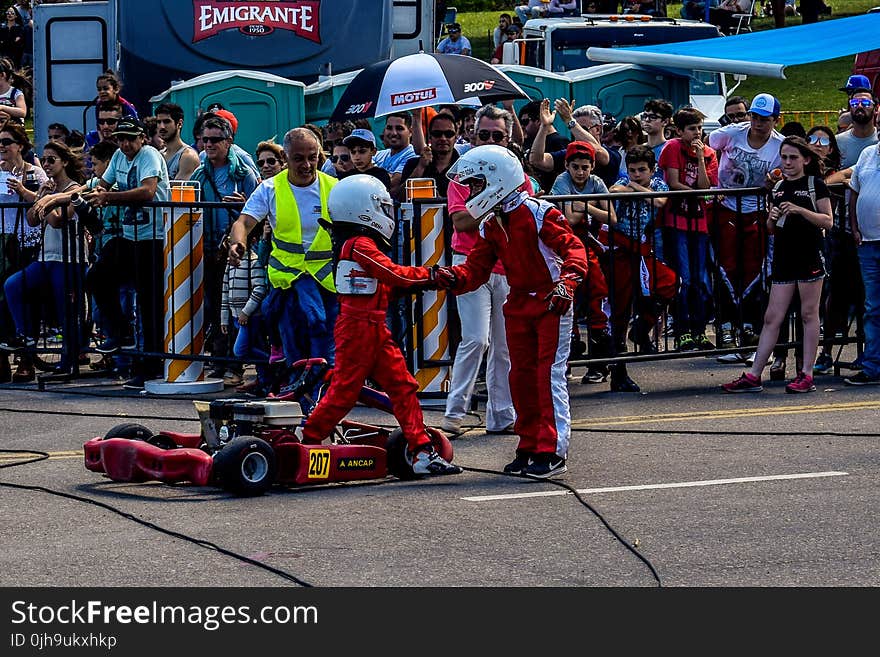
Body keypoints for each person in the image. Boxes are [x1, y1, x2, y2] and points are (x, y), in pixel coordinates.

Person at [434, 145, 587, 478]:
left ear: (495, 180)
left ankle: (553, 451)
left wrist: (567, 284)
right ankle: (530, 444)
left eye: (476, 185)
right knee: (520, 377)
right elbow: (475, 269)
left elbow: (574, 249)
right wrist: (442, 276)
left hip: (550, 302)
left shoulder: (540, 212)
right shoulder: (492, 223)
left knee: (548, 376)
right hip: (519, 302)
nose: (472, 192)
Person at [300, 174, 461, 477]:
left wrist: (421, 282)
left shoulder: (356, 244)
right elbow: (393, 274)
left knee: (403, 386)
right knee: (345, 391)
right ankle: (306, 438)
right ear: (363, 209)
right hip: (357, 328)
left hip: (373, 327)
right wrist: (434, 275)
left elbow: (385, 285)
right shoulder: (358, 244)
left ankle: (421, 451)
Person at [722, 136, 832, 393]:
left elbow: (827, 221)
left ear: (805, 159)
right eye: (784, 157)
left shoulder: (815, 184)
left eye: (793, 157)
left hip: (809, 255)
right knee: (772, 316)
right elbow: (772, 229)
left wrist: (800, 210)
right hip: (784, 257)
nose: (787, 162)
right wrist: (771, 218)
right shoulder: (779, 186)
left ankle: (806, 373)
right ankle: (754, 374)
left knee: (808, 314)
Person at [441, 105, 523, 437]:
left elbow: (521, 219)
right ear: (474, 135)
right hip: (470, 264)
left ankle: (501, 413)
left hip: (506, 266)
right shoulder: (462, 173)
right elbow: (461, 220)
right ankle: (454, 412)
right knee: (476, 338)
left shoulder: (516, 173)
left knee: (504, 345)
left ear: (508, 137)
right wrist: (496, 198)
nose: (491, 140)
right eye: (485, 134)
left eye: (498, 135)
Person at [228, 128, 338, 369]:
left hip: (326, 281)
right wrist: (238, 243)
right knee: (294, 344)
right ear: (286, 158)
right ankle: (302, 393)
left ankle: (323, 394)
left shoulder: (334, 187)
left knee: (325, 342)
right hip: (289, 280)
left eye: (313, 157)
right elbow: (244, 222)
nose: (307, 164)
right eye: (299, 158)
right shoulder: (270, 189)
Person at [84, 116, 170, 390]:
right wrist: (97, 191)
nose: (125, 144)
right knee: (96, 277)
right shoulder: (119, 158)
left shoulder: (149, 155)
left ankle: (152, 364)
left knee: (150, 303)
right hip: (127, 235)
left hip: (152, 237)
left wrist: (106, 197)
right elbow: (103, 184)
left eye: (130, 138)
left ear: (142, 138)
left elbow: (148, 191)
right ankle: (122, 333)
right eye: (120, 138)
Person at [0, 140, 88, 381]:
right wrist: (41, 196)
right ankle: (25, 335)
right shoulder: (47, 188)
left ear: (65, 162)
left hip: (69, 258)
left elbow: (58, 221)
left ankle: (68, 360)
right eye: (45, 160)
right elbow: (31, 220)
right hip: (45, 256)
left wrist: (46, 200)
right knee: (13, 285)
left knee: (65, 310)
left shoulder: (74, 189)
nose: (47, 164)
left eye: (52, 160)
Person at [708, 93, 784, 355]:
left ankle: (750, 330)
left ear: (776, 120)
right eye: (754, 117)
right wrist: (712, 182)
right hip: (726, 207)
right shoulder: (732, 133)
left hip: (756, 211)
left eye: (764, 119)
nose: (757, 123)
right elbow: (708, 145)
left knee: (756, 269)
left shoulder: (779, 146)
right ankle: (727, 329)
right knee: (725, 267)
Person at [189, 115, 259, 386]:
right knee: (213, 306)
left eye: (215, 139)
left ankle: (236, 364)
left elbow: (257, 210)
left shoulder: (243, 173)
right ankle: (219, 361)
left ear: (229, 141)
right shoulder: (199, 172)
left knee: (234, 308)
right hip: (206, 250)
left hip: (236, 251)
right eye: (205, 139)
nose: (209, 144)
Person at [659, 107, 718, 351]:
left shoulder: (709, 153)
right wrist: (697, 193)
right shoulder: (672, 147)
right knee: (684, 277)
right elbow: (673, 182)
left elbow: (706, 186)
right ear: (679, 130)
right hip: (677, 221)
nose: (697, 133)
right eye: (692, 129)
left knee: (700, 278)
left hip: (700, 223)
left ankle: (700, 329)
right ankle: (682, 329)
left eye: (699, 129)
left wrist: (701, 159)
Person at [845, 118, 880, 386]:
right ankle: (872, 366)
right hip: (867, 243)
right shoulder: (868, 154)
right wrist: (854, 227)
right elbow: (855, 193)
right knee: (872, 307)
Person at [221, 225, 269, 396]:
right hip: (236, 315)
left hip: (248, 316)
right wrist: (224, 318)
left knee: (240, 350)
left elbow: (259, 289)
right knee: (250, 346)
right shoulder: (231, 263)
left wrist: (246, 312)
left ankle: (271, 362)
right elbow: (225, 291)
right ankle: (265, 377)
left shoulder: (253, 261)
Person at [398, 112, 459, 201]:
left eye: (449, 134)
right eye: (437, 134)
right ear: (430, 137)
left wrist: (441, 201)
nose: (443, 138)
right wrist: (420, 168)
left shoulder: (464, 166)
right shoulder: (413, 163)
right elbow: (400, 198)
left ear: (456, 137)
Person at [373, 112, 417, 200]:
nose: (393, 133)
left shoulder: (412, 155)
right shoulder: (378, 154)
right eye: (389, 128)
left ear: (410, 132)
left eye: (399, 128)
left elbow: (393, 186)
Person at [154, 102, 200, 181]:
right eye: (159, 122)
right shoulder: (159, 154)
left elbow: (177, 192)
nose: (162, 126)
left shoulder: (188, 156)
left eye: (167, 121)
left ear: (179, 123)